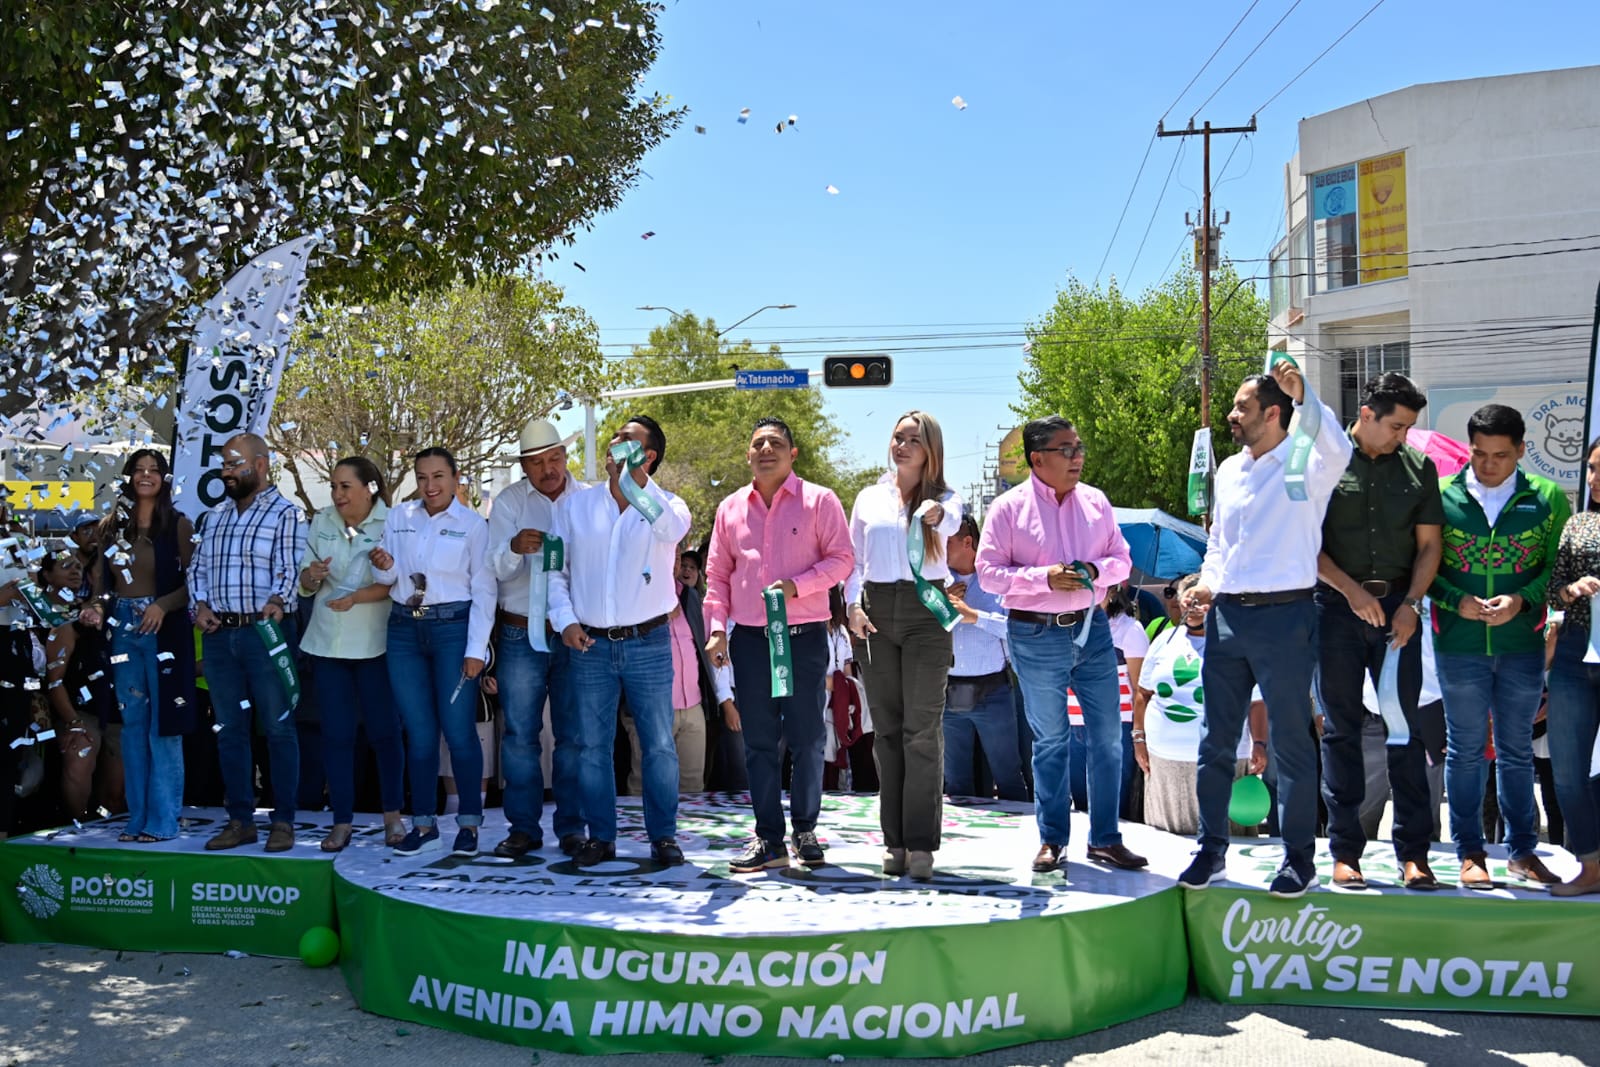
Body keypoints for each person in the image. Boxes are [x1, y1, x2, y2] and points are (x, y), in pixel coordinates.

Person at [1176, 360, 1351, 898]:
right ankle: (1211, 849)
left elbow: (1338, 447)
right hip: (1228, 617)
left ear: (1273, 413)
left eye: (1241, 407)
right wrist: (1204, 586)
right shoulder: (1229, 471)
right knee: (1214, 742)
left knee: (1291, 745)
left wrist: (1305, 397)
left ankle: (1299, 859)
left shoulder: (1306, 463)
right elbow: (1220, 546)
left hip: (1286, 616)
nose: (1231, 415)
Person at [976, 415, 1146, 875]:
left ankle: (1106, 839)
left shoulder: (1096, 502)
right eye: (1066, 449)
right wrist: (1043, 576)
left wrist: (1094, 571)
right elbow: (988, 573)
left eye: (1078, 447)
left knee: (1109, 737)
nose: (1077, 457)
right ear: (1037, 459)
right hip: (1034, 634)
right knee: (1051, 741)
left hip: (1093, 632)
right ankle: (1052, 839)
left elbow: (1121, 560)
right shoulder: (1008, 509)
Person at [704, 417, 855, 872]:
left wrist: (799, 586)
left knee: (808, 738)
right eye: (757, 444)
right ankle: (768, 838)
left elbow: (843, 560)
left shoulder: (820, 501)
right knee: (759, 743)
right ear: (748, 455)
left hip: (803, 638)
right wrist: (715, 629)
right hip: (750, 641)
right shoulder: (730, 508)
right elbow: (716, 576)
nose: (766, 449)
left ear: (793, 454)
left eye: (776, 443)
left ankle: (805, 829)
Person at [1313, 371, 1444, 891]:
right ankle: (1347, 852)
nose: (1403, 437)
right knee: (1342, 731)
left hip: (1399, 609)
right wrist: (1351, 592)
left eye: (1409, 428)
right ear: (1366, 415)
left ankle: (1415, 854)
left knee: (1405, 729)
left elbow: (1430, 545)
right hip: (1336, 606)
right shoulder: (1324, 463)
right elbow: (1307, 544)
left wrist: (1410, 604)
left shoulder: (1420, 467)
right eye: (1396, 426)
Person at [1430, 404, 1569, 888]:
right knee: (1465, 751)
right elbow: (1424, 569)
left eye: (1501, 456)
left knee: (1515, 753)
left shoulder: (1548, 498)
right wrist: (1456, 601)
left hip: (1521, 645)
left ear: (1521, 451)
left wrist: (1521, 601)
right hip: (1459, 644)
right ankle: (1469, 851)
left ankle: (1522, 852)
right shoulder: (1441, 495)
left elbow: (1555, 570)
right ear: (1468, 448)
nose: (1488, 465)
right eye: (1479, 454)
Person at [548, 416, 692, 867]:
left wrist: (637, 485)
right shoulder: (575, 506)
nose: (614, 444)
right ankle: (601, 838)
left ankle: (663, 838)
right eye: (614, 439)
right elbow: (555, 567)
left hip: (648, 643)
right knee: (593, 746)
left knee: (659, 746)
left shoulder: (669, 505)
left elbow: (670, 532)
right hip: (589, 645)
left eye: (628, 441)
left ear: (648, 456)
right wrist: (565, 620)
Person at [847, 411, 962, 881]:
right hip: (875, 610)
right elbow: (853, 559)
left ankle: (920, 845)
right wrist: (852, 605)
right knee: (887, 731)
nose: (903, 445)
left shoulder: (945, 500)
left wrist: (934, 513)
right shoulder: (868, 498)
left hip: (925, 611)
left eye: (913, 439)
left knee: (922, 729)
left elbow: (951, 521)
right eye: (898, 437)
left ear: (930, 449)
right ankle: (892, 840)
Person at [369, 447, 496, 857]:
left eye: (439, 476)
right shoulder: (398, 517)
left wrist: (477, 649)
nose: (431, 486)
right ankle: (423, 824)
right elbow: (387, 576)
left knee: (459, 732)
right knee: (420, 735)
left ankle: (470, 824)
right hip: (405, 629)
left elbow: (484, 589)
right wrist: (383, 564)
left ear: (456, 478)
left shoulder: (474, 525)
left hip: (452, 630)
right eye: (423, 477)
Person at [190, 433, 307, 853]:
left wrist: (278, 599)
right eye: (223, 464)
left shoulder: (286, 514)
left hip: (264, 634)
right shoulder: (214, 517)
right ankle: (240, 820)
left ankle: (283, 821)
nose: (225, 472)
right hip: (220, 637)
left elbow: (290, 571)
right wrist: (198, 605)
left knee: (277, 728)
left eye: (234, 463)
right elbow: (197, 570)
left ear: (260, 465)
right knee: (229, 731)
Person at [79, 449, 197, 842]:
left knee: (164, 726)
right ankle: (137, 818)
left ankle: (164, 820)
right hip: (123, 628)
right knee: (132, 726)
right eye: (139, 470)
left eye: (154, 471)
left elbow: (194, 585)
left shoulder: (178, 525)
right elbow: (101, 586)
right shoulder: (112, 527)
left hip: (163, 628)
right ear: (128, 477)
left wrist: (163, 605)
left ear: (164, 479)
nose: (146, 476)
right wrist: (96, 609)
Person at [485, 417, 585, 858]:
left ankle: (572, 828)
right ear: (523, 466)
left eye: (554, 458)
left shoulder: (590, 501)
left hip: (570, 634)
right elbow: (491, 569)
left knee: (573, 734)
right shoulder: (508, 503)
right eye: (537, 462)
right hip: (518, 630)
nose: (548, 468)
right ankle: (523, 828)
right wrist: (511, 550)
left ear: (565, 456)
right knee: (520, 735)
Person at [295, 457, 404, 852]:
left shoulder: (393, 522)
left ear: (369, 488)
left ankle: (393, 817)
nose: (337, 494)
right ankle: (341, 821)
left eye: (345, 486)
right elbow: (303, 581)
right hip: (327, 643)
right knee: (336, 735)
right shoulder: (322, 521)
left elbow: (399, 584)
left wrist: (359, 594)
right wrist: (310, 577)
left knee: (384, 733)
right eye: (334, 486)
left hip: (376, 643)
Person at [1134, 573, 1268, 834]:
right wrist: (1138, 739)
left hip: (1225, 759)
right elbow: (1143, 693)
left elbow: (1256, 702)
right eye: (1188, 601)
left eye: (1200, 601)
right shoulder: (1165, 640)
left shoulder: (1238, 643)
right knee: (1169, 843)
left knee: (1225, 839)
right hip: (1165, 761)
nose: (1193, 608)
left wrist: (1260, 744)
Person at [621, 546, 735, 795]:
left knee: (692, 786)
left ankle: (688, 835)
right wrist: (658, 618)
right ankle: (637, 834)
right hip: (651, 706)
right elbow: (623, 643)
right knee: (644, 783)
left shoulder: (689, 596)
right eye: (668, 556)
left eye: (677, 557)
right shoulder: (634, 592)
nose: (675, 564)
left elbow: (703, 644)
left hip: (693, 707)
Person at [943, 515, 1028, 802]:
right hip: (948, 691)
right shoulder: (935, 582)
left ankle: (1022, 834)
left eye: (948, 540)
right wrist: (938, 606)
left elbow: (1014, 628)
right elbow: (918, 633)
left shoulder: (996, 580)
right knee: (955, 780)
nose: (940, 546)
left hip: (994, 691)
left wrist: (974, 616)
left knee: (1008, 775)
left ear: (968, 542)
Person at [1545, 464, 1600, 896]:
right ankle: (1590, 865)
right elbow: (1552, 585)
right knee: (1567, 770)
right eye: (1594, 469)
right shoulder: (1576, 523)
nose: (1596, 478)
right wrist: (1571, 589)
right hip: (1575, 649)